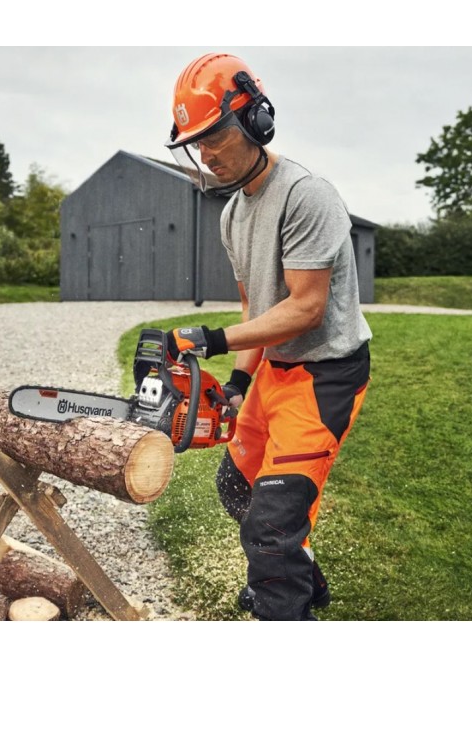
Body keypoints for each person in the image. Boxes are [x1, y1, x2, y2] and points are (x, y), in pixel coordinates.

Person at [162, 52, 372, 621]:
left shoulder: (307, 195)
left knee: (272, 525)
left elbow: (305, 308)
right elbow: (259, 308)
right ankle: (302, 580)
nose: (208, 153)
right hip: (275, 372)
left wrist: (212, 339)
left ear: (255, 119)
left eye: (216, 136)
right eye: (196, 143)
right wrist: (235, 381)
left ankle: (284, 602)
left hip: (325, 375)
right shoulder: (232, 215)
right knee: (236, 485)